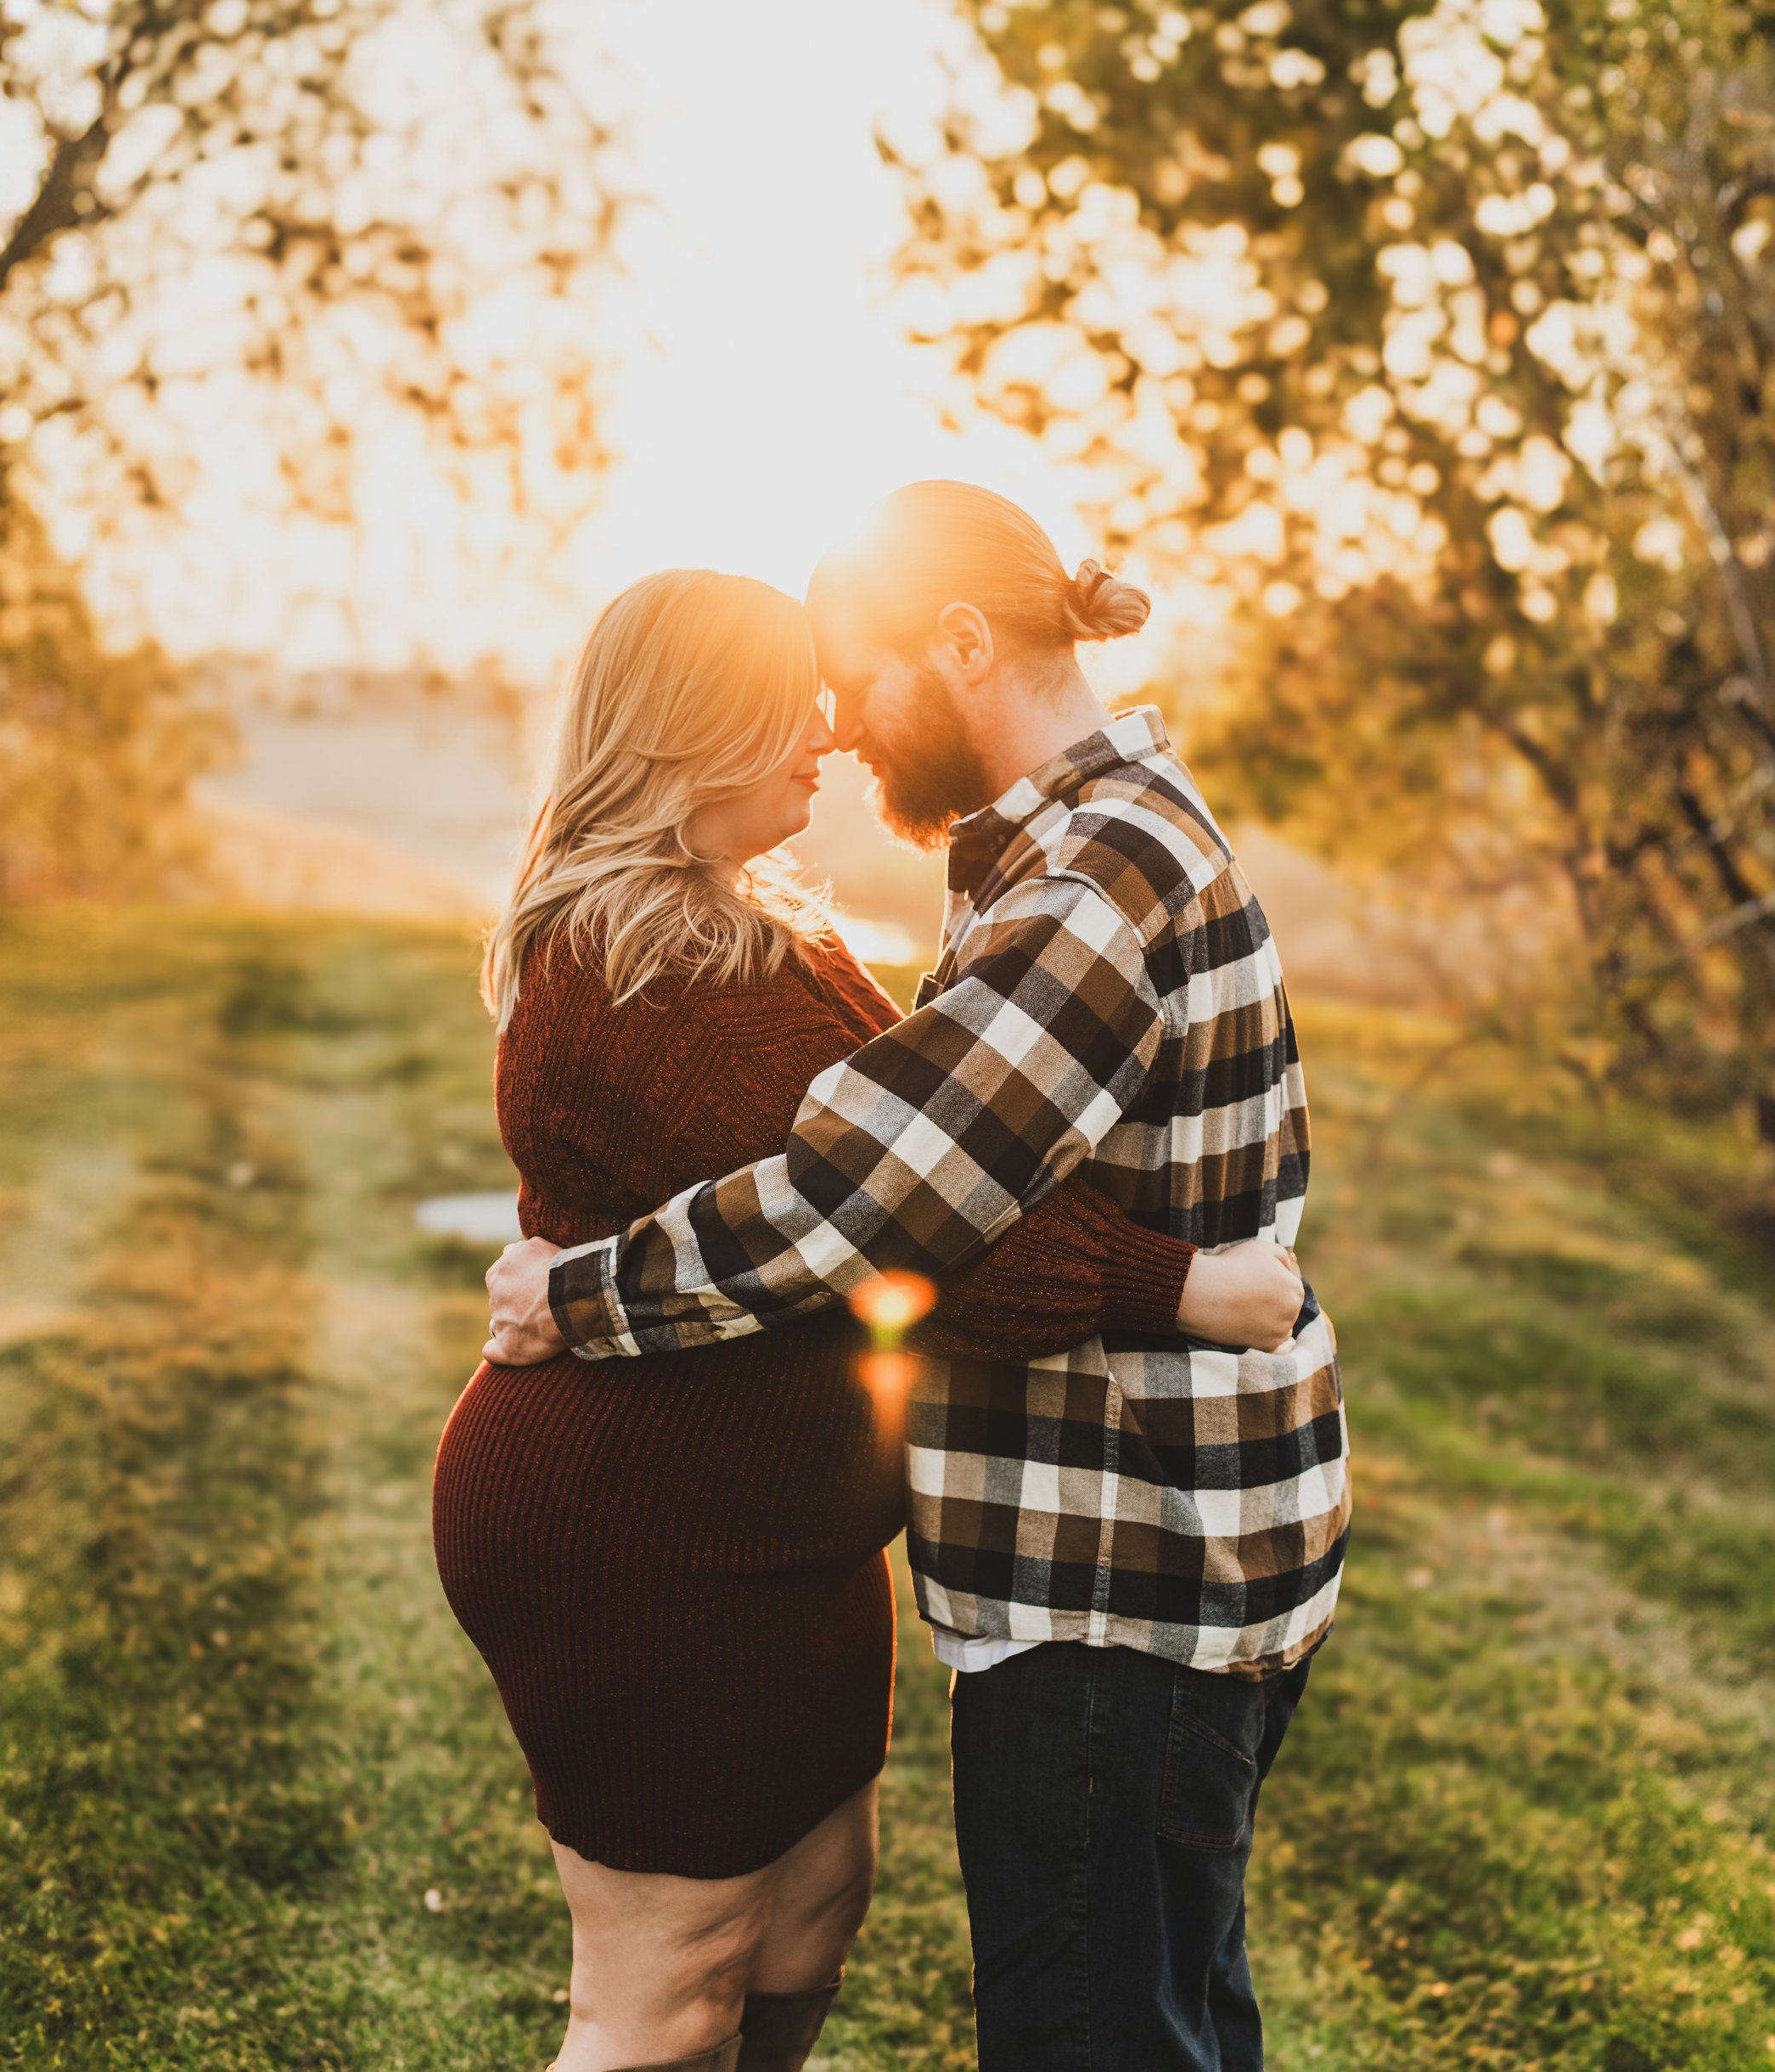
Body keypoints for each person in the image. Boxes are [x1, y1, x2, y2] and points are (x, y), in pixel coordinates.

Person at [481, 485, 1353, 2072]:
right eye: (791, 705)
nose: (839, 734)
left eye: (852, 681)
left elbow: (877, 1205)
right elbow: (914, 1193)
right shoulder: (1073, 854)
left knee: (1112, 2026)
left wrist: (582, 1291)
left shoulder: (1083, 886)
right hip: (1104, 1549)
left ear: (960, 639)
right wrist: (1180, 1281)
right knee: (1149, 2014)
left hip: (1119, 1554)